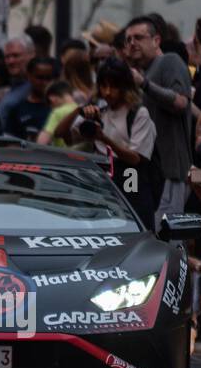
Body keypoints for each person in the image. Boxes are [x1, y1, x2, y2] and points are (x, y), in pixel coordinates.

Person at [55, 57, 157, 226]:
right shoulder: (100, 111)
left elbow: (135, 158)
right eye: (104, 86)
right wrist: (78, 111)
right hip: (103, 185)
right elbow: (60, 134)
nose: (108, 92)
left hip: (130, 182)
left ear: (125, 86)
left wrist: (103, 138)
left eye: (114, 86)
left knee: (135, 230)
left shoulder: (139, 113)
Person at [123, 15, 192, 229]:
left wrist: (144, 84)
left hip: (170, 174)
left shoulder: (169, 61)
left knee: (164, 241)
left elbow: (181, 102)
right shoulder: (141, 73)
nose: (132, 43)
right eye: (128, 39)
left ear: (156, 40)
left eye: (138, 37)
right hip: (144, 174)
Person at [4, 56, 58, 141]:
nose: (44, 83)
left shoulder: (60, 108)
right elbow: (10, 144)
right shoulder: (17, 109)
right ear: (29, 76)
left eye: (48, 78)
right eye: (40, 77)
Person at [0, 33, 35, 128]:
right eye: (7, 57)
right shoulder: (8, 88)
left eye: (16, 56)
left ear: (31, 55)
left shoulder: (38, 86)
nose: (11, 61)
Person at [37, 80, 78, 147]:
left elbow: (41, 142)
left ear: (51, 98)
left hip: (61, 156)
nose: (51, 107)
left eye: (49, 104)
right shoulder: (82, 110)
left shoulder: (58, 112)